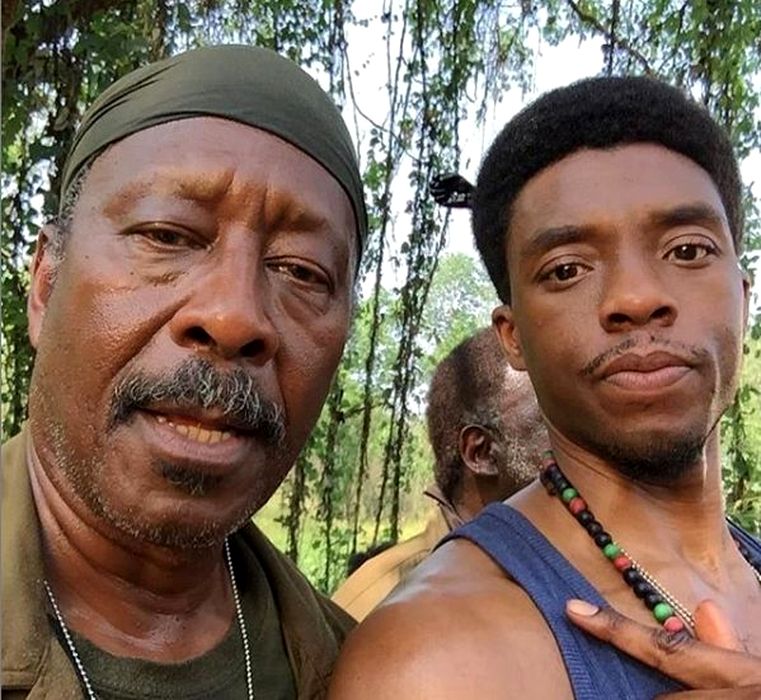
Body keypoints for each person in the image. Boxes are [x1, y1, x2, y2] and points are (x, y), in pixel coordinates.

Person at [329, 76, 761, 698]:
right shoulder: (438, 659)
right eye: (567, 269)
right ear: (513, 337)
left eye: (688, 250)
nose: (637, 297)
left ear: (742, 297)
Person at [1, 44, 368, 699]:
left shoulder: (367, 678)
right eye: (166, 236)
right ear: (45, 283)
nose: (234, 317)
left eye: (301, 271)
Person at [332, 327, 547, 620]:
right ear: (481, 453)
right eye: (547, 427)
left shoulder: (558, 563)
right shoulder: (377, 604)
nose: (577, 444)